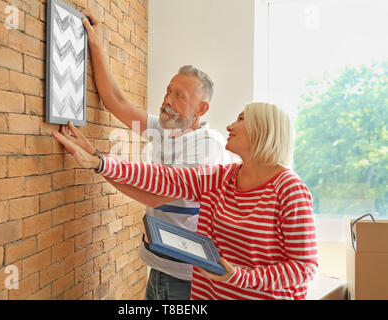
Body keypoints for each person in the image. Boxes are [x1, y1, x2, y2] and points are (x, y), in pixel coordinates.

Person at [52, 102, 318, 300]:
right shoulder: (220, 177)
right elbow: (163, 178)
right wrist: (100, 162)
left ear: (265, 130)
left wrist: (240, 276)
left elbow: (304, 268)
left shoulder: (289, 190)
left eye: (241, 119)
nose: (229, 125)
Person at [67, 10, 231, 299]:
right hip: (159, 264)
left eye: (179, 96)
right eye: (169, 91)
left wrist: (98, 162)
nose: (167, 100)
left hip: (186, 277)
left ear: (202, 109)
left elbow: (154, 195)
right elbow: (115, 101)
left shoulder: (208, 145)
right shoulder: (164, 127)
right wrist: (96, 44)